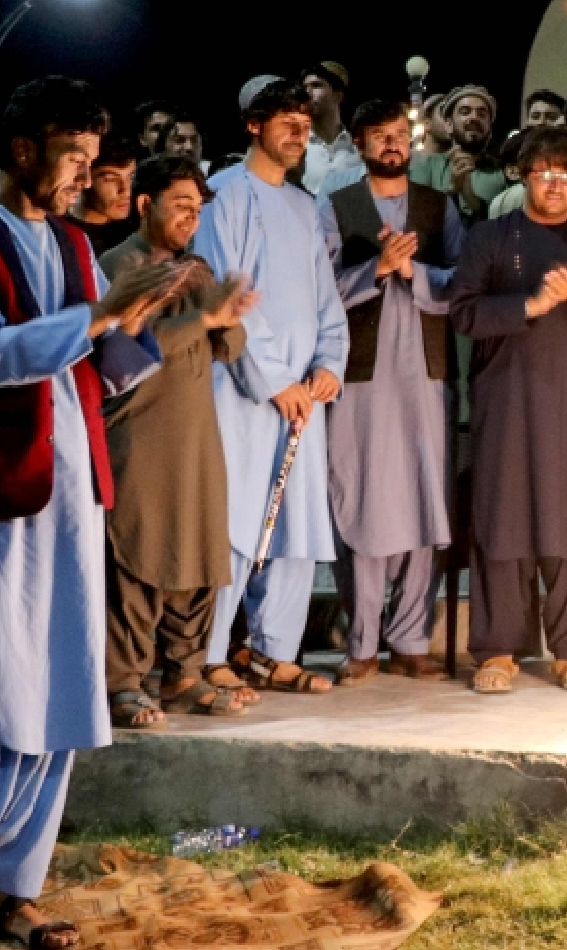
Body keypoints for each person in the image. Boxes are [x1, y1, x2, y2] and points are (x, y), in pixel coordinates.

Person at [0, 74, 173, 950]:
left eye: (93, 159)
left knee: (62, 695)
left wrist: (166, 322)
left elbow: (98, 366)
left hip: (74, 506)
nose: (86, 176)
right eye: (73, 157)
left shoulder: (78, 248)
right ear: (21, 152)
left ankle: (14, 895)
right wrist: (97, 316)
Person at [448, 126, 567, 694]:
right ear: (523, 175)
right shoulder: (491, 238)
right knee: (505, 516)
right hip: (508, 399)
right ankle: (498, 649)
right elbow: (463, 313)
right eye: (544, 174)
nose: (555, 186)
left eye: (566, 175)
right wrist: (531, 304)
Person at [193, 78, 347, 696]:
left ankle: (273, 651)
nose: (298, 134)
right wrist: (275, 379)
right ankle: (206, 653)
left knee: (296, 524)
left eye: (304, 125)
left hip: (303, 395)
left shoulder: (305, 207)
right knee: (235, 519)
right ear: (253, 124)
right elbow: (225, 295)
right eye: (286, 122)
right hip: (242, 390)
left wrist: (327, 363)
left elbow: (325, 301)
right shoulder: (222, 197)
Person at [99, 155, 257, 728]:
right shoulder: (118, 267)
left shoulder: (196, 267)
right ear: (146, 204)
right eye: (181, 205)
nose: (192, 218)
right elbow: (121, 354)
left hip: (195, 435)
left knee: (197, 549)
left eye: (197, 208)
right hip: (140, 434)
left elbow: (230, 347)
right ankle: (123, 683)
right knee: (138, 556)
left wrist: (226, 314)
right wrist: (205, 318)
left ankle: (185, 673)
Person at [320, 99, 463, 686]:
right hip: (362, 379)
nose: (392, 145)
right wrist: (376, 269)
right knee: (367, 499)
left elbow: (466, 287)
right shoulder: (335, 209)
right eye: (380, 136)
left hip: (426, 377)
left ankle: (410, 639)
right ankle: (363, 643)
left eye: (400, 135)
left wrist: (415, 274)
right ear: (359, 143)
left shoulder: (438, 207)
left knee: (426, 500)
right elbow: (318, 289)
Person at [414, 85, 509, 221]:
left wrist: (470, 198)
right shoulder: (425, 166)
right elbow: (417, 220)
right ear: (449, 124)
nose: (474, 118)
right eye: (465, 112)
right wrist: (452, 190)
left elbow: (509, 223)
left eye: (482, 114)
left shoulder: (502, 171)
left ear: (490, 127)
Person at [302, 61, 362, 198]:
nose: (307, 93)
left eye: (316, 86)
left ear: (338, 96)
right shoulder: (297, 147)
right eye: (304, 87)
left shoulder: (359, 147)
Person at [72, 136, 138, 255]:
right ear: (84, 177)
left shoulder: (138, 228)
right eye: (110, 179)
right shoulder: (60, 232)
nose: (126, 191)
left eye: (131, 177)